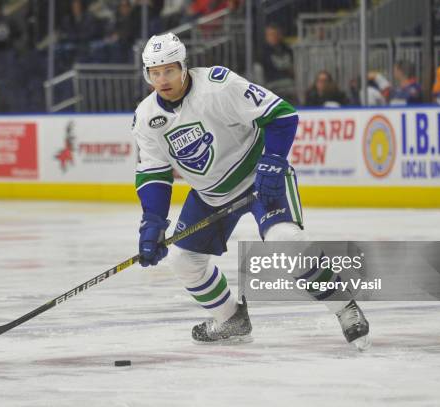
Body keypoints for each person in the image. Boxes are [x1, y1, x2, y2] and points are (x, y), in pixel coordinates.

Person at [132, 32, 370, 349]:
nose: (162, 79)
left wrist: (272, 160)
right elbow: (154, 173)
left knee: (285, 240)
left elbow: (282, 113)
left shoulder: (219, 85)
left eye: (170, 70)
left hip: (259, 177)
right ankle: (230, 319)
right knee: (182, 260)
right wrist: (153, 222)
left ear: (185, 67)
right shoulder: (147, 117)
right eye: (155, 72)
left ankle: (345, 307)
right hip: (210, 195)